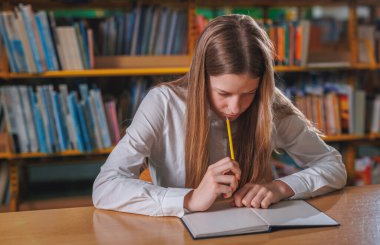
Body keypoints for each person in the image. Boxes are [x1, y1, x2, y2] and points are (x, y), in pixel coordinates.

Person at [92, 14, 347, 217]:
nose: (235, 107)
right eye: (223, 93)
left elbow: (333, 166)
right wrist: (190, 198)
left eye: (249, 93)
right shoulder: (164, 104)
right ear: (202, 78)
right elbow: (105, 186)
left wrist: (280, 187)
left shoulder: (269, 105)